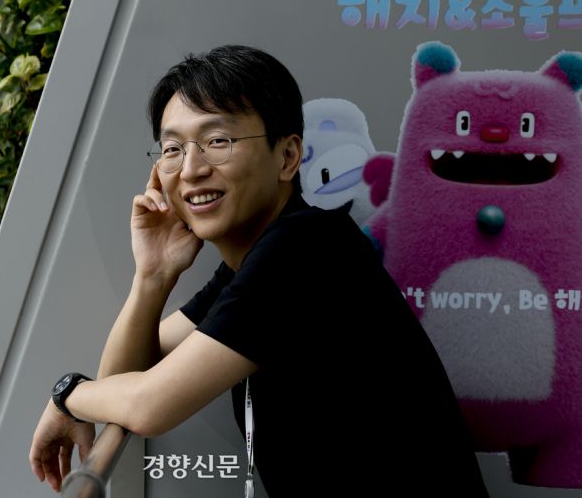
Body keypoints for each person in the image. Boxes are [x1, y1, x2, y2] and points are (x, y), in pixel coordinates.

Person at [29, 44, 489, 496]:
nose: (191, 169)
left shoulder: (304, 250)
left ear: (287, 157)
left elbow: (149, 405)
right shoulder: (252, 262)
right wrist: (153, 276)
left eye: (217, 141)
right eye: (172, 148)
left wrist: (68, 395)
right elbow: (123, 379)